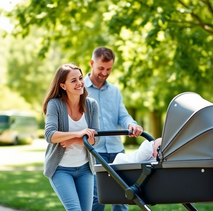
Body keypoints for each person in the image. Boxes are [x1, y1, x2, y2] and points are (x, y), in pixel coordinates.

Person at [84, 46, 144, 211]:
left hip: (117, 151)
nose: (104, 73)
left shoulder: (115, 91)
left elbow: (122, 116)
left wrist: (131, 124)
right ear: (91, 63)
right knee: (97, 198)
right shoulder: (80, 90)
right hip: (93, 151)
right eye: (101, 68)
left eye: (109, 69)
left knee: (122, 196)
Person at [42, 63, 100, 211]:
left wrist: (74, 140)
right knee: (74, 209)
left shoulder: (92, 105)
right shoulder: (54, 104)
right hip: (60, 169)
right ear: (63, 85)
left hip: (85, 168)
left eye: (80, 78)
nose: (79, 82)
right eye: (73, 80)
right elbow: (50, 135)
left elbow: (96, 139)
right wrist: (78, 133)